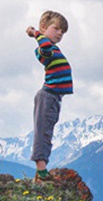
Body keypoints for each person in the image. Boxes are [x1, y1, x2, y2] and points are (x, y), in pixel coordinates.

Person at [26, 10, 73, 182]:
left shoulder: (54, 48)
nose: (60, 33)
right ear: (44, 27)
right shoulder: (43, 49)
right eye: (57, 29)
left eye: (63, 32)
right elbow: (44, 47)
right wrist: (35, 34)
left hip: (54, 97)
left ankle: (41, 170)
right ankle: (41, 169)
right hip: (47, 95)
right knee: (43, 131)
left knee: (48, 131)